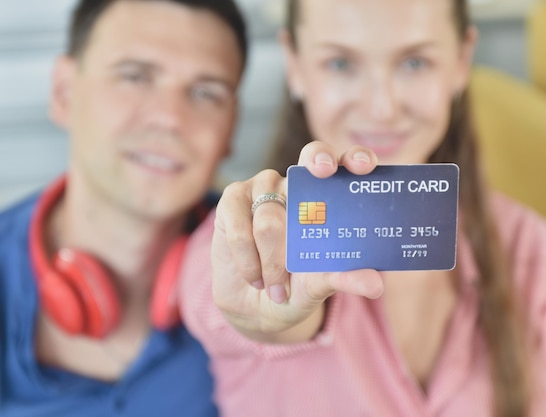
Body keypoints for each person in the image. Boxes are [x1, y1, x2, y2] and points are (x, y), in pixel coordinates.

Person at [179, 0, 546, 416]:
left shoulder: (530, 248)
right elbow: (228, 306)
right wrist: (265, 303)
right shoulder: (237, 239)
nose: (382, 108)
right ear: (295, 65)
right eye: (340, 64)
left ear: (461, 62)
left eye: (415, 63)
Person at [0, 0, 247, 415]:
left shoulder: (265, 271)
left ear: (231, 127)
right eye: (135, 76)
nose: (170, 118)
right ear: (63, 93)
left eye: (205, 93)